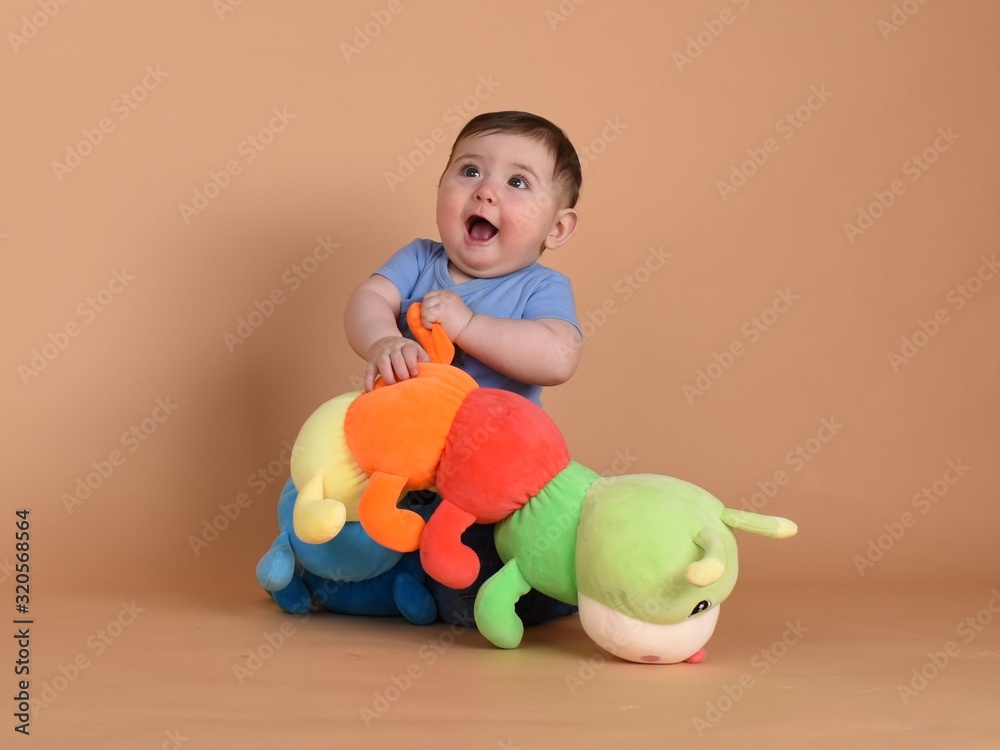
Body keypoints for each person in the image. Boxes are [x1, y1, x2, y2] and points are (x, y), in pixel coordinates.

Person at [343, 110, 584, 626]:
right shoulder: (419, 259)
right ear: (440, 188)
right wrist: (383, 338)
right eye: (470, 171)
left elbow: (558, 355)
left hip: (490, 485)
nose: (486, 192)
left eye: (517, 182)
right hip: (405, 464)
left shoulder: (541, 287)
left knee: (463, 590)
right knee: (345, 534)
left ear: (557, 227)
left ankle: (558, 586)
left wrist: (469, 324)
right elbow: (367, 298)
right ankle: (376, 579)